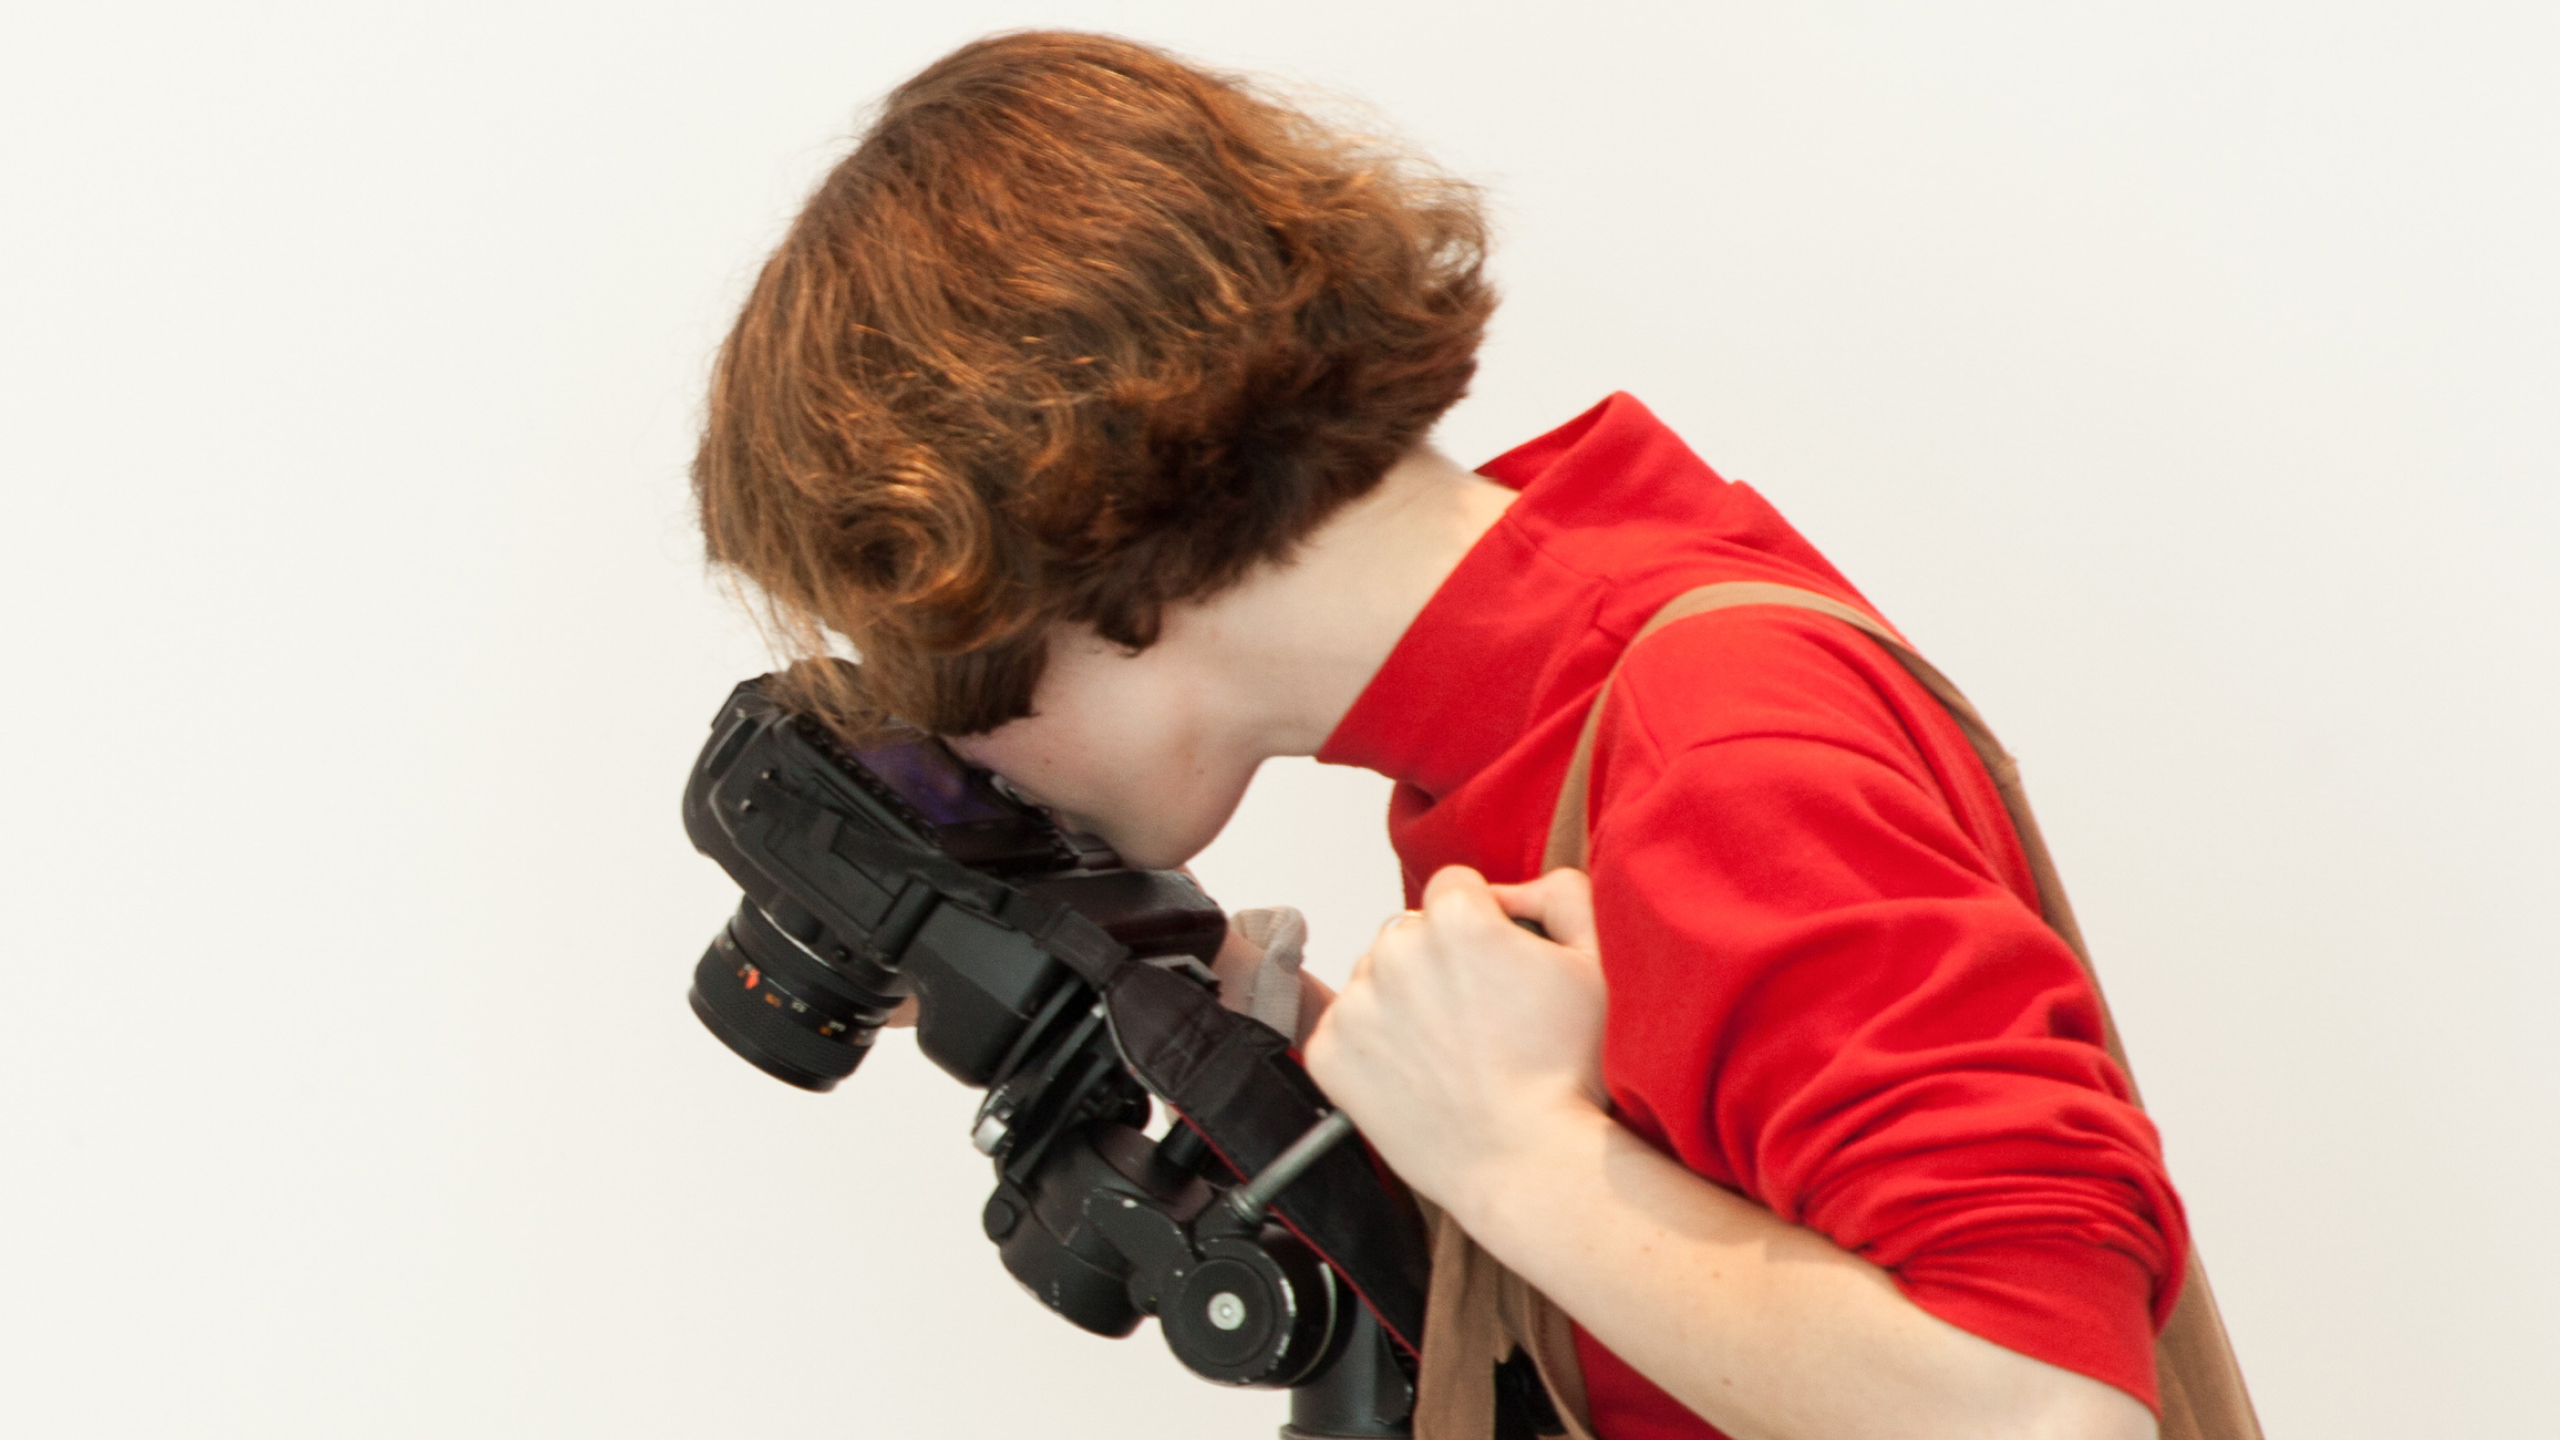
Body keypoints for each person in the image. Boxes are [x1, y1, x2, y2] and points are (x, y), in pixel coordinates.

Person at [691, 30, 2186, 1440]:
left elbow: (2047, 1406)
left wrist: (1517, 1155)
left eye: (916, 652)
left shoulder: (1708, 742)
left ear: (1048, 556)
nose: (966, 759)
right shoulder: (1573, 683)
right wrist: (1248, 1032)